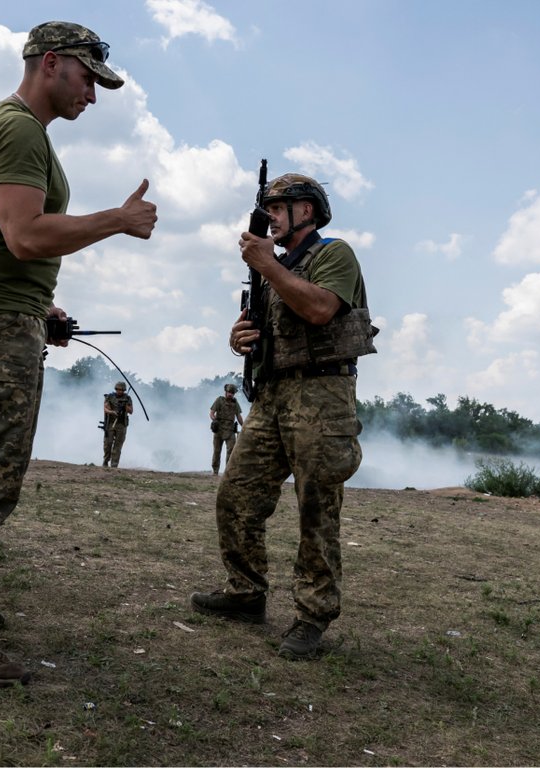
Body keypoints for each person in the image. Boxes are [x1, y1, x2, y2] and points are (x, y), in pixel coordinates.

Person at [0, 21, 157, 687]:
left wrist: (39, 305)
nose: (94, 98)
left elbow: (2, 239)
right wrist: (117, 221)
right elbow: (22, 235)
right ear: (52, 64)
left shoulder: (25, 131)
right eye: (88, 81)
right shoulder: (16, 127)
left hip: (2, 312)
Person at [190, 173, 376, 660]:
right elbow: (262, 327)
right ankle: (246, 592)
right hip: (272, 394)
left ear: (307, 211)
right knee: (237, 494)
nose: (269, 214)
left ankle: (312, 616)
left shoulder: (334, 254)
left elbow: (319, 309)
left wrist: (268, 267)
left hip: (322, 393)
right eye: (267, 207)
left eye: (279, 206)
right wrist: (239, 338)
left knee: (316, 506)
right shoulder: (273, 266)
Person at [208, 382, 244, 475]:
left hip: (230, 430)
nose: (230, 394)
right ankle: (215, 471)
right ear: (225, 392)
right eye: (229, 392)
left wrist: (244, 426)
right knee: (217, 451)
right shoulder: (219, 400)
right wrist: (214, 420)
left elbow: (239, 416)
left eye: (232, 393)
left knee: (231, 451)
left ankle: (228, 472)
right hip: (219, 429)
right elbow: (212, 413)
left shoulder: (235, 403)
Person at [102, 381, 133, 467]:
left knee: (118, 446)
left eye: (122, 390)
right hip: (110, 423)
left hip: (121, 424)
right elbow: (105, 409)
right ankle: (105, 461)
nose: (120, 391)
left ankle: (114, 464)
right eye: (118, 389)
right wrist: (113, 412)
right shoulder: (109, 397)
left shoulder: (127, 398)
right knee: (108, 443)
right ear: (116, 389)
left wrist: (125, 406)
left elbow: (131, 411)